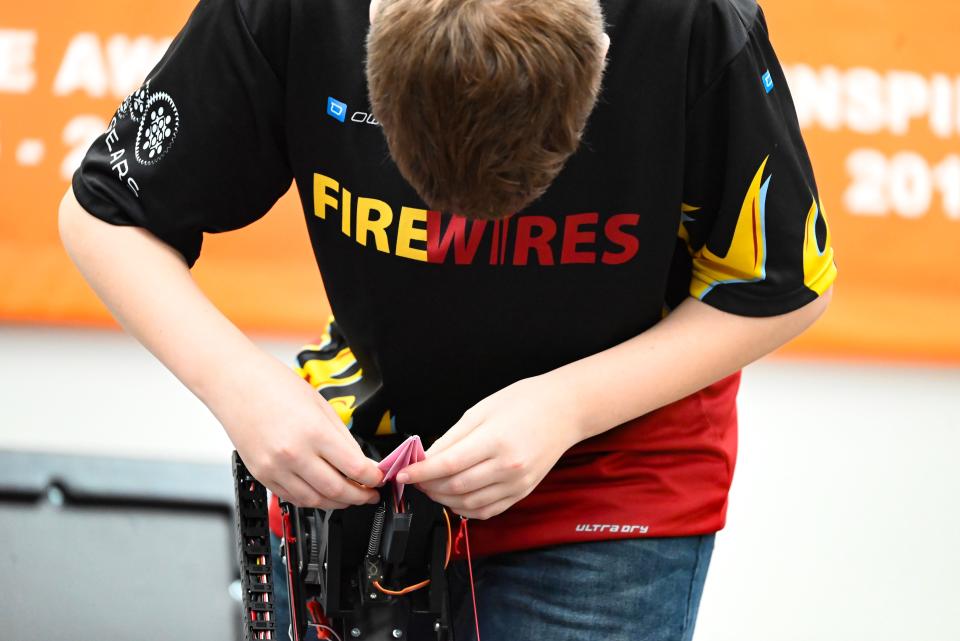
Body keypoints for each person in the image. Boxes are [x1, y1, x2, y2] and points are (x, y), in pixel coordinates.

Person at [58, 0, 837, 638]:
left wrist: (565, 405)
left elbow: (784, 283)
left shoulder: (692, 22)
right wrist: (241, 391)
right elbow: (103, 216)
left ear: (602, 55)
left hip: (613, 477)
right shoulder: (289, 11)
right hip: (373, 465)